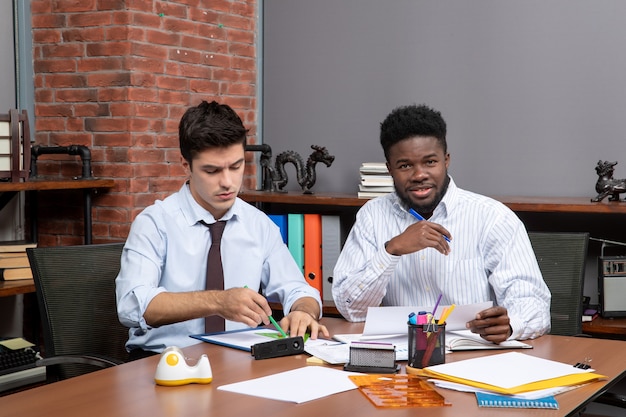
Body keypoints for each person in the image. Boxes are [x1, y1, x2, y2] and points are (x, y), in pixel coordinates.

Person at [116, 100, 328, 359]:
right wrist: (219, 301)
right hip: (163, 362)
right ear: (186, 165)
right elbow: (131, 305)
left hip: (238, 362)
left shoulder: (259, 224)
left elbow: (299, 290)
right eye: (212, 170)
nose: (228, 182)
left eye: (236, 166)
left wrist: (303, 312)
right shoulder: (154, 223)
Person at [332, 104, 551, 343]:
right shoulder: (372, 217)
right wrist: (391, 250)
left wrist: (511, 325)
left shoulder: (492, 217)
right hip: (401, 362)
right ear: (389, 170)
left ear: (446, 160)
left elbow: (534, 304)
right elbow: (352, 310)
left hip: (475, 358)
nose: (419, 175)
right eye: (405, 165)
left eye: (430, 162)